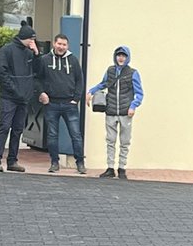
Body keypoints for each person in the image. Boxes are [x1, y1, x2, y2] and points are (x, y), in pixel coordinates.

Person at [86, 45, 143, 180]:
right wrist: (91, 91)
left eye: (123, 55)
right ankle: (110, 167)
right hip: (111, 111)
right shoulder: (110, 71)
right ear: (115, 56)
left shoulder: (133, 73)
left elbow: (139, 93)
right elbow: (103, 84)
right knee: (110, 140)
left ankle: (122, 167)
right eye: (119, 55)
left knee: (124, 141)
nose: (121, 58)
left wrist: (133, 106)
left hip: (125, 112)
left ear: (127, 57)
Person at [0, 21, 38, 172]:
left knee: (17, 130)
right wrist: (14, 90)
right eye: (31, 39)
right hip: (9, 97)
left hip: (23, 98)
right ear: (24, 38)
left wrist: (37, 54)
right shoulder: (7, 50)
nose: (33, 42)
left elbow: (39, 71)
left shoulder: (29, 53)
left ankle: (12, 160)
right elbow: (1, 72)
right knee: (4, 127)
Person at [36, 33, 86, 174]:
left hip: (70, 105)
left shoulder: (74, 61)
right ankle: (54, 163)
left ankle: (80, 163)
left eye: (64, 45)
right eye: (59, 44)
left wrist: (76, 99)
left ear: (67, 46)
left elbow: (79, 81)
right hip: (51, 104)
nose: (61, 47)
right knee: (52, 135)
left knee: (76, 135)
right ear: (54, 44)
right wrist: (41, 93)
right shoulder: (44, 60)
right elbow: (37, 79)